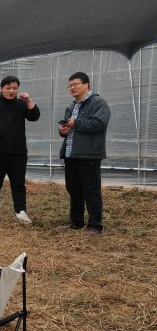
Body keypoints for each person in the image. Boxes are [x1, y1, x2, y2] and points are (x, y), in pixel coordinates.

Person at [0, 75, 41, 224]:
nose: (11, 91)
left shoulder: (21, 104)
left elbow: (34, 116)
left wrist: (29, 101)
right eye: (8, 88)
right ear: (1, 88)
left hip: (18, 152)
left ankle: (21, 211)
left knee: (18, 184)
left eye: (14, 88)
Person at [58, 72, 111, 234]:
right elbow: (70, 128)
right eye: (70, 86)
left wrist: (76, 123)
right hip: (71, 153)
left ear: (86, 84)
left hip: (89, 154)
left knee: (91, 190)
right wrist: (63, 130)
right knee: (73, 189)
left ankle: (95, 225)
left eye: (75, 84)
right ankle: (76, 222)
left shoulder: (98, 103)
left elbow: (99, 124)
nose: (72, 88)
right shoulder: (72, 106)